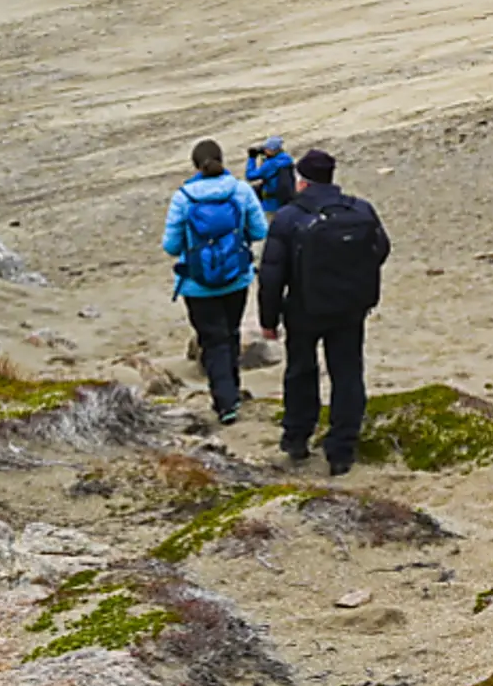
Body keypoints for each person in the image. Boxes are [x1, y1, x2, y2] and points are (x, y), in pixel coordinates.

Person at [257, 149, 390, 476]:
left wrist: (268, 320)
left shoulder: (288, 218)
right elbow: (381, 249)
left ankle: (297, 438)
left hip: (305, 308)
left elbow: (272, 273)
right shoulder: (360, 209)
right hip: (350, 305)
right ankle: (342, 449)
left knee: (301, 370)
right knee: (347, 373)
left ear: (302, 182)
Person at [161, 138, 268, 425]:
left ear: (195, 165)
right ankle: (230, 391)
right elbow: (259, 231)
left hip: (197, 283)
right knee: (229, 333)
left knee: (212, 339)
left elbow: (171, 246)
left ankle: (225, 401)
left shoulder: (184, 197)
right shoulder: (241, 190)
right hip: (236, 278)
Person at [245, 137, 297, 209]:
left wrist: (252, 158)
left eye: (266, 148)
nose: (264, 150)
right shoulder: (287, 158)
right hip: (285, 198)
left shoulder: (270, 165)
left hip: (271, 204)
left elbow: (250, 176)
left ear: (272, 151)